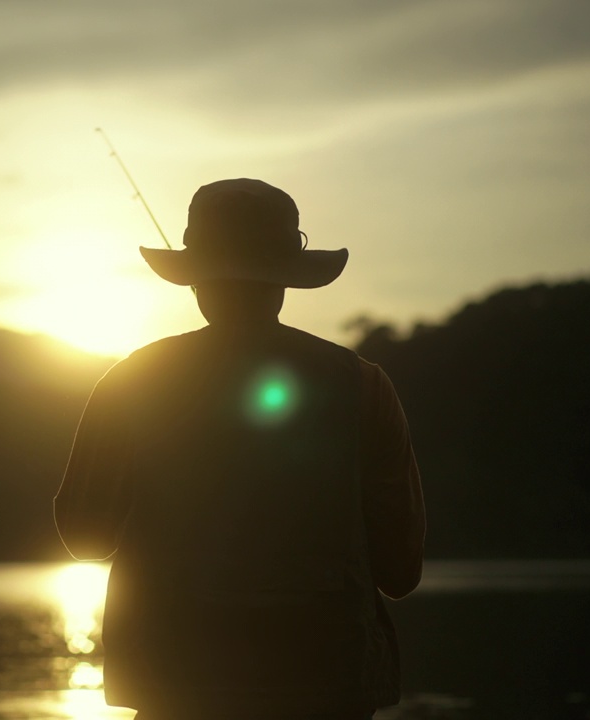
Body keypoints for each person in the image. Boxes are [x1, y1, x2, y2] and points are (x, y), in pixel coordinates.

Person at [54, 178, 425, 720]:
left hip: (176, 685)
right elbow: (400, 571)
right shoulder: (364, 386)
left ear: (196, 280)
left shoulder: (131, 381)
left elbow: (86, 537)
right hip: (327, 685)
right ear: (285, 282)